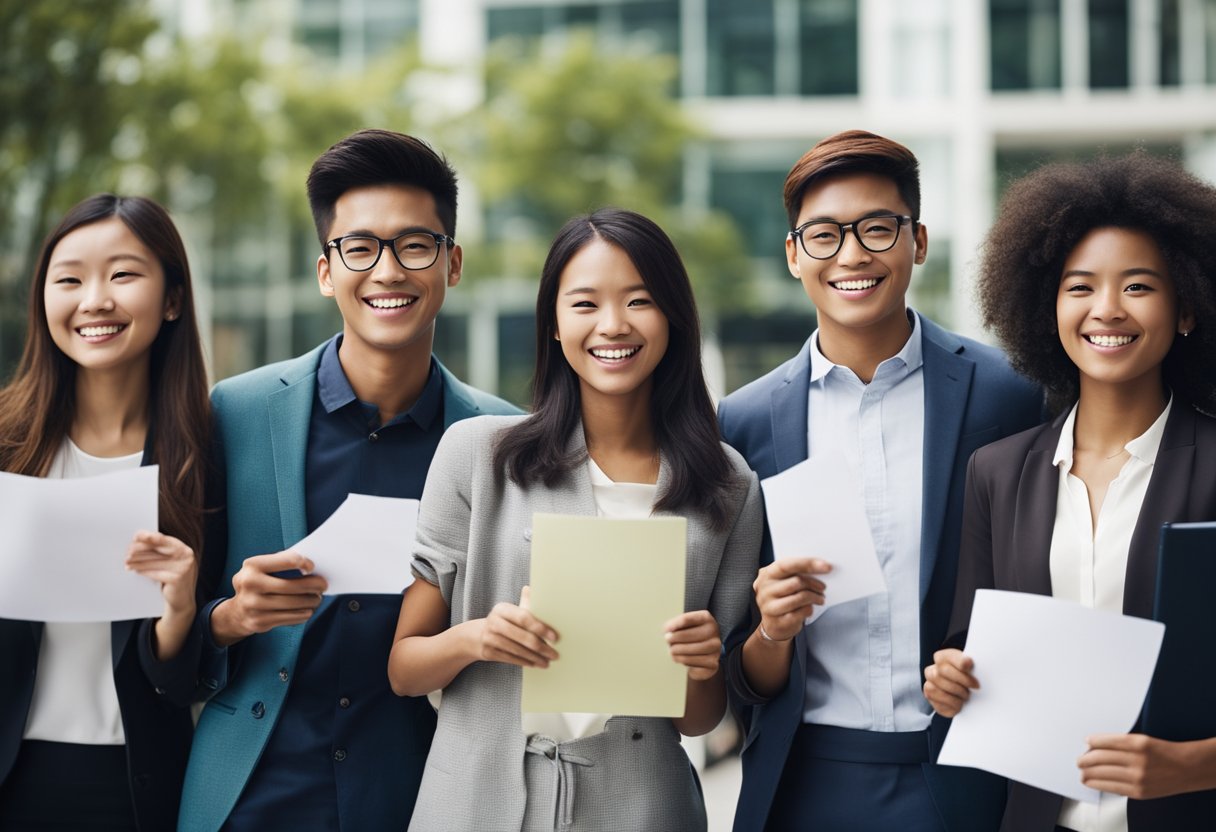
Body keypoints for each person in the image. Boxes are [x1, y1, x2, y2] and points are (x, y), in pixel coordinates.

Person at [177, 129, 519, 832]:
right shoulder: (235, 413)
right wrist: (230, 618)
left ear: (451, 264)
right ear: (326, 270)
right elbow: (175, 632)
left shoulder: (505, 441)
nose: (387, 271)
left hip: (424, 795)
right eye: (359, 248)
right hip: (253, 793)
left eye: (414, 246)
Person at [387, 207, 763, 831]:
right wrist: (478, 637)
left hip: (641, 806)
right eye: (585, 304)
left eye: (639, 301)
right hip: (478, 801)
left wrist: (696, 666)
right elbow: (403, 668)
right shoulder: (477, 455)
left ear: (672, 316)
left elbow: (699, 718)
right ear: (555, 326)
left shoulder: (727, 485)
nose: (613, 325)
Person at [717, 130, 1043, 832]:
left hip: (967, 774)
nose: (853, 254)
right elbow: (736, 674)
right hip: (803, 781)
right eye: (825, 234)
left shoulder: (1008, 396)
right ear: (793, 255)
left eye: (877, 228)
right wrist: (772, 630)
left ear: (918, 241)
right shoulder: (741, 425)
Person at [924, 152, 1216, 831]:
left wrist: (1194, 766)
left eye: (1139, 286)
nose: (1106, 309)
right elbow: (969, 645)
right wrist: (950, 681)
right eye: (1079, 286)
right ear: (1047, 307)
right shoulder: (996, 473)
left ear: (1187, 311)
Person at [0, 194, 222, 831]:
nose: (94, 299)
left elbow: (195, 678)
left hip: (142, 786)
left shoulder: (207, 453)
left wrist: (179, 611)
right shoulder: (8, 447)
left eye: (123, 274)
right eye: (69, 279)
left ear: (173, 298)